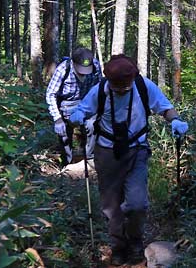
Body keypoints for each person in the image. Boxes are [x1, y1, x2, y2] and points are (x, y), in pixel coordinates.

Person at [68, 54, 188, 266]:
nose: (122, 89)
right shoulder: (100, 90)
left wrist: (176, 120)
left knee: (137, 203)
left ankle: (135, 242)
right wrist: (77, 115)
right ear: (109, 81)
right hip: (107, 151)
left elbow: (165, 107)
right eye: (117, 86)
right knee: (111, 206)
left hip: (137, 150)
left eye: (126, 85)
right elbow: (83, 110)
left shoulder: (143, 86)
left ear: (133, 78)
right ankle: (118, 247)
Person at [45, 47, 101, 165]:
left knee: (92, 126)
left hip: (86, 102)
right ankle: (67, 162)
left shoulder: (95, 66)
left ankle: (90, 157)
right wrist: (57, 119)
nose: (83, 74)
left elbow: (98, 88)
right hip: (66, 104)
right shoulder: (63, 70)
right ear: (73, 63)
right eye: (80, 70)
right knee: (64, 134)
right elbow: (50, 94)